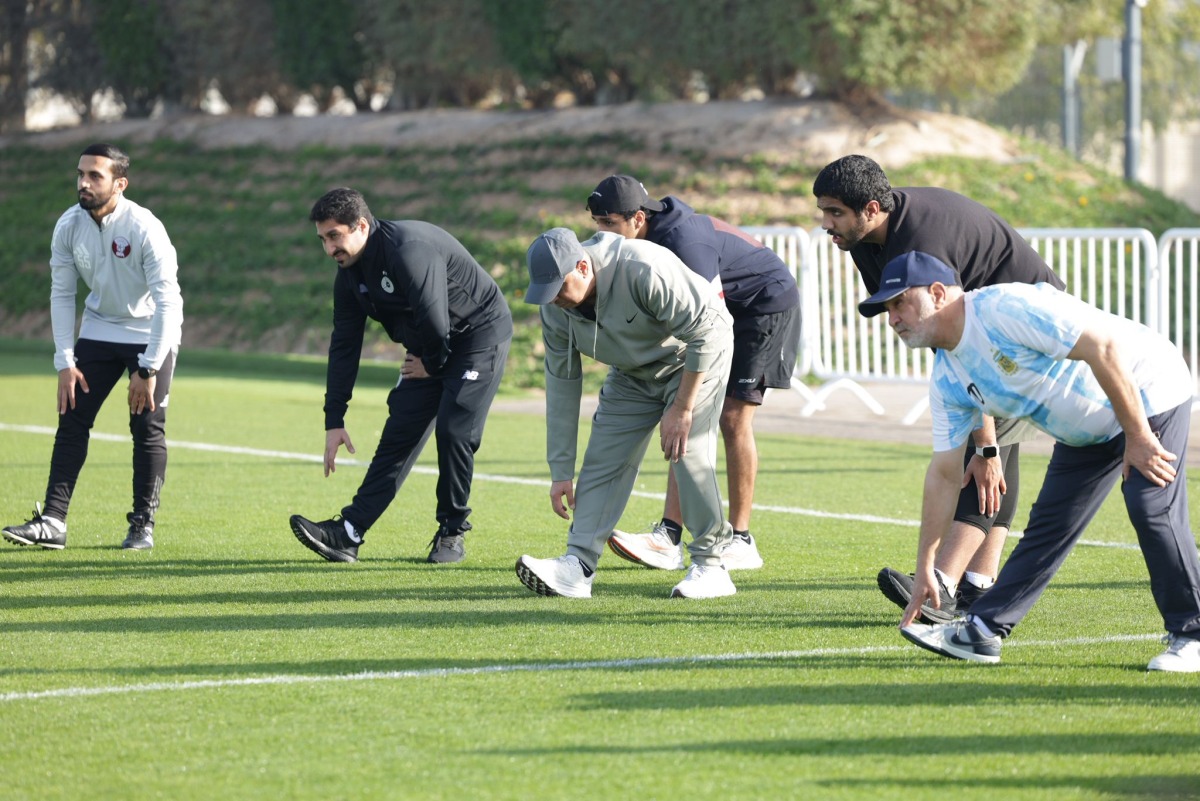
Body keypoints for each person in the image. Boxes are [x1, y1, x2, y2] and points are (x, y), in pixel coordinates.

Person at [859, 250, 1200, 671]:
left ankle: (1192, 631)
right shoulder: (948, 375)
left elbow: (1104, 347)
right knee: (1047, 527)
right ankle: (982, 632)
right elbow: (944, 476)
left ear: (937, 293)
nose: (892, 319)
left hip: (1147, 390)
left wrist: (1138, 435)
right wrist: (926, 567)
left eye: (899, 304)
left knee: (1150, 507)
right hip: (1085, 431)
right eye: (887, 310)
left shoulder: (1005, 308)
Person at [812, 154, 1066, 623]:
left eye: (834, 213)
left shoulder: (919, 245)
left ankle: (942, 586)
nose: (825, 224)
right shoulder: (867, 241)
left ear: (870, 208)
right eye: (824, 212)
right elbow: (929, 332)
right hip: (979, 331)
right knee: (990, 456)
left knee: (984, 458)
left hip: (1028, 329)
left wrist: (985, 445)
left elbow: (958, 344)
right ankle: (979, 586)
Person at [585, 175, 801, 572]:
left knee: (730, 417)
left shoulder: (684, 244)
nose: (602, 234)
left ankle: (741, 538)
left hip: (762, 307)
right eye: (597, 224)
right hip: (722, 314)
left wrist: (686, 400)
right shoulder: (636, 246)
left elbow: (711, 321)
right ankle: (669, 535)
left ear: (637, 218)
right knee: (686, 411)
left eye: (609, 224)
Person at [289, 188, 512, 564]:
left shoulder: (408, 250)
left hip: (478, 335)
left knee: (455, 430)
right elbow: (344, 346)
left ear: (361, 226)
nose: (329, 249)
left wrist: (432, 365)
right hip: (431, 345)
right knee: (399, 433)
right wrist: (334, 418)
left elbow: (436, 320)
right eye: (322, 240)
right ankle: (349, 532)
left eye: (334, 236)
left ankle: (452, 532)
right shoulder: (348, 275)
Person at [515, 227, 736, 599]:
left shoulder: (642, 267)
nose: (553, 301)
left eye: (558, 290)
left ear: (583, 267)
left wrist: (682, 408)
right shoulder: (555, 307)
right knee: (602, 459)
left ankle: (711, 567)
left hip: (695, 360)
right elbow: (561, 382)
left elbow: (708, 332)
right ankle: (577, 566)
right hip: (632, 374)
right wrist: (560, 470)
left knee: (688, 453)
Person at [2, 143, 184, 551]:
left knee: (146, 427)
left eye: (95, 176)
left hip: (151, 332)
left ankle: (142, 524)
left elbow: (168, 303)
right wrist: (64, 360)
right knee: (72, 418)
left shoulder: (145, 228)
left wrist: (148, 368)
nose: (83, 183)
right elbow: (62, 295)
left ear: (119, 183)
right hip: (100, 328)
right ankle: (53, 522)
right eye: (80, 174)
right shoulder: (68, 225)